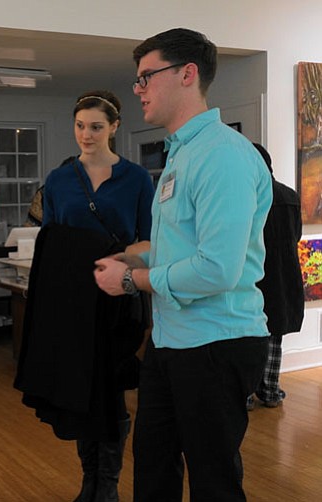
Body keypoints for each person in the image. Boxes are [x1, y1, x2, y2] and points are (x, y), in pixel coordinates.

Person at [94, 28, 273, 501]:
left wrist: (131, 280)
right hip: (172, 341)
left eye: (146, 77)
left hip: (218, 343)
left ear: (187, 74)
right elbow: (181, 247)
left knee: (213, 480)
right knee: (153, 468)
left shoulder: (222, 156)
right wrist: (133, 255)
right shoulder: (181, 154)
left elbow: (217, 269)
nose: (138, 90)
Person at [16, 90, 154, 502]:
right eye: (80, 126)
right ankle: (88, 482)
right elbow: (53, 240)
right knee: (81, 389)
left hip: (118, 296)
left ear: (114, 127)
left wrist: (115, 259)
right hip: (73, 302)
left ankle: (107, 485)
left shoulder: (136, 179)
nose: (86, 135)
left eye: (96, 126)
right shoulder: (59, 179)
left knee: (110, 389)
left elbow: (148, 240)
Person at [247, 143, 304, 410]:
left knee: (250, 334)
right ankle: (270, 390)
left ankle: (246, 393)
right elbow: (297, 235)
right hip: (285, 272)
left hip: (257, 273)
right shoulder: (290, 195)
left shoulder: (249, 197)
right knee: (274, 335)